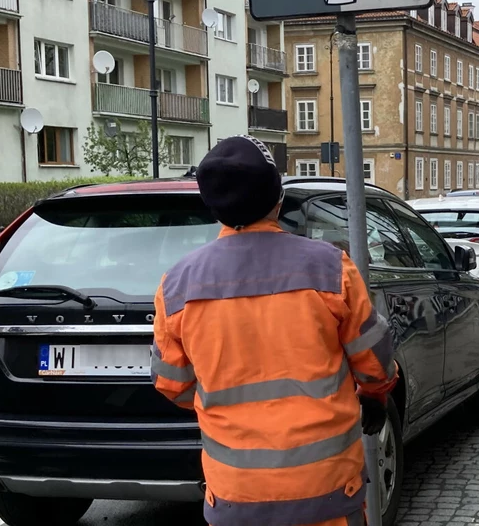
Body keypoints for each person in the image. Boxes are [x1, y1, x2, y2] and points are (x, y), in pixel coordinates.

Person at [151, 135, 399, 526]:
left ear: (212, 206)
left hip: (235, 492)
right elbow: (375, 364)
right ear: (277, 198)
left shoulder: (177, 286)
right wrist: (373, 397)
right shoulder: (330, 268)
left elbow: (172, 382)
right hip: (329, 488)